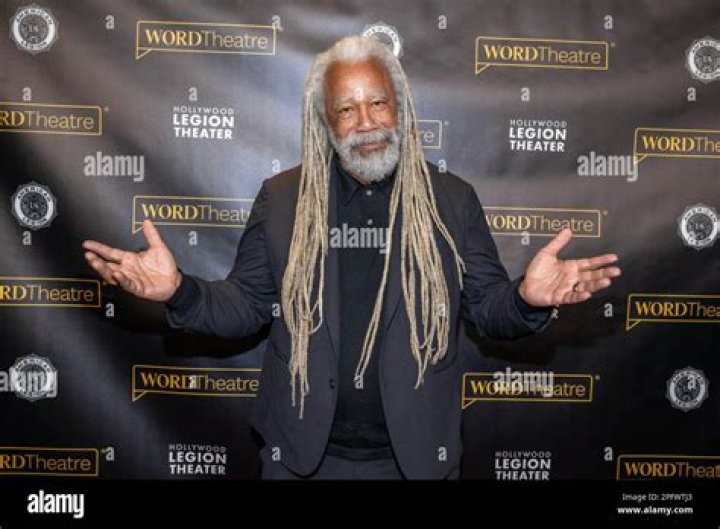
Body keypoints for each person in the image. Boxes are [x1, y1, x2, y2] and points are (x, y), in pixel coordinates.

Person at [82, 35, 621, 479]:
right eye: (346, 108)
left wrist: (526, 298)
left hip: (416, 460)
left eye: (378, 103)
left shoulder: (452, 201)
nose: (365, 122)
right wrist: (179, 291)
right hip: (302, 459)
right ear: (325, 121)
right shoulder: (283, 199)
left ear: (400, 109)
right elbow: (244, 306)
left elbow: (488, 310)